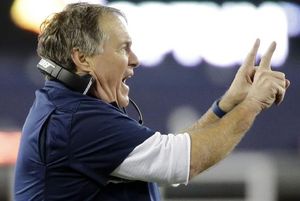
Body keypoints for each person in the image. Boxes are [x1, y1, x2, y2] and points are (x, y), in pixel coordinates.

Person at [14, 2, 290, 201]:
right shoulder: (77, 119)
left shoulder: (68, 108)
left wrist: (229, 103)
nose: (135, 59)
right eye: (124, 48)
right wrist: (253, 103)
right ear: (82, 59)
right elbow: (185, 160)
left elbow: (176, 150)